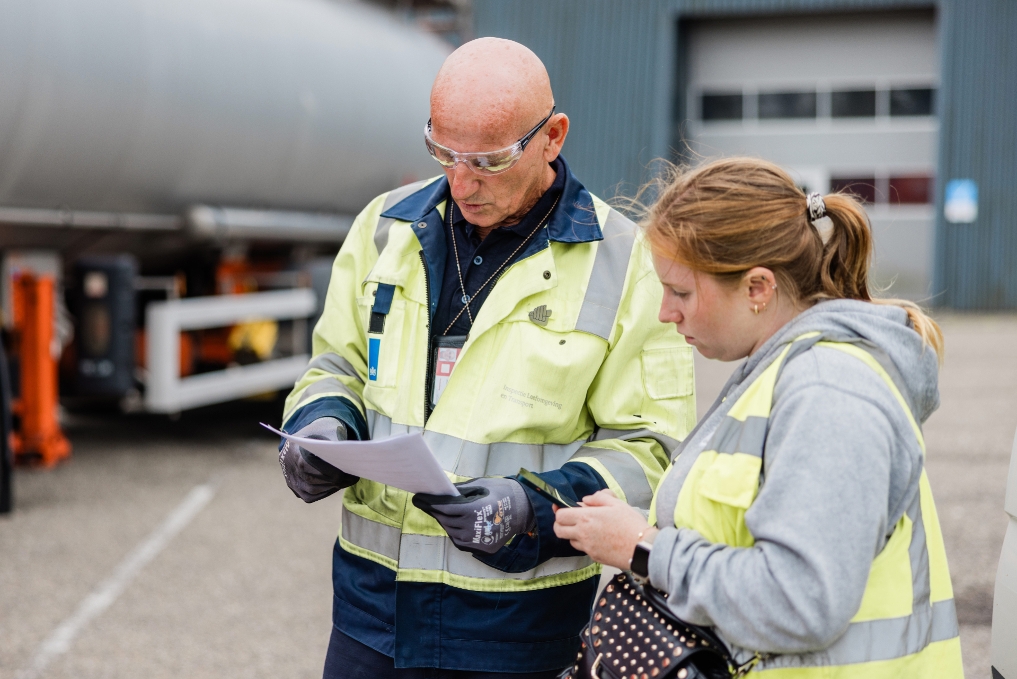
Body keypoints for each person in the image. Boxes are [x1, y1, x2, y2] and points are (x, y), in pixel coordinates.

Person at [278, 38, 696, 678]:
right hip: (370, 617)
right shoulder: (382, 227)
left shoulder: (625, 262)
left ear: (553, 137)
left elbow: (651, 444)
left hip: (517, 631)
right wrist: (322, 426)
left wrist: (537, 508)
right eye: (442, 152)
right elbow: (335, 364)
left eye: (489, 160)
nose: (461, 181)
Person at [554, 158, 964, 677]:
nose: (665, 312)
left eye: (681, 291)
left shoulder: (827, 389)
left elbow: (801, 601)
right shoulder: (774, 371)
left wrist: (642, 548)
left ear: (757, 288)